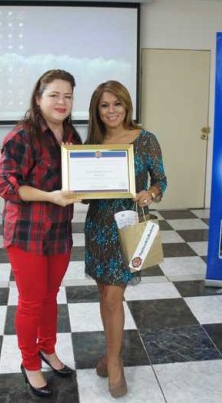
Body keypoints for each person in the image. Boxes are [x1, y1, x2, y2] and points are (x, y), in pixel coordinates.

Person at [0, 69, 81, 398]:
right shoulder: (21, 136)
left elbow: (79, 179)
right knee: (31, 301)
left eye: (68, 96)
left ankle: (48, 349)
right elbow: (6, 185)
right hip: (26, 232)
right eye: (54, 95)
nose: (62, 102)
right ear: (38, 98)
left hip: (59, 230)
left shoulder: (72, 135)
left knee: (50, 295)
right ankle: (30, 363)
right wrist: (50, 196)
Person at [84, 80, 167, 398]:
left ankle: (115, 361)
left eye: (117, 104)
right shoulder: (93, 142)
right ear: (97, 110)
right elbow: (84, 191)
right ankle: (110, 352)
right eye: (104, 105)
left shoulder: (145, 139)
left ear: (127, 106)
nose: (111, 111)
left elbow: (161, 181)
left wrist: (150, 193)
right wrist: (79, 189)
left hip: (127, 226)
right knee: (104, 294)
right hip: (97, 227)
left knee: (112, 298)